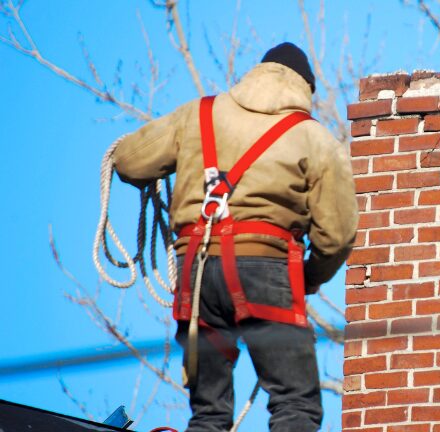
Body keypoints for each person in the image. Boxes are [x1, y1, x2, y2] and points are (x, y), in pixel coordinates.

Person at [112, 42, 358, 432]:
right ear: (305, 90)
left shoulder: (198, 114)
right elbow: (338, 236)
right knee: (295, 404)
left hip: (196, 273)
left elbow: (127, 160)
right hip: (265, 269)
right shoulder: (314, 138)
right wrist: (309, 278)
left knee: (209, 413)